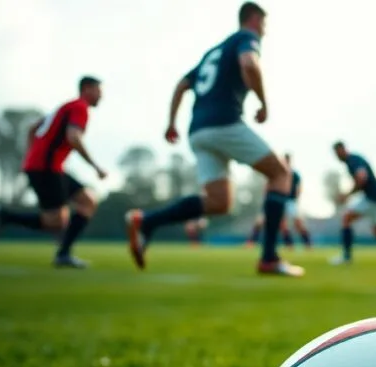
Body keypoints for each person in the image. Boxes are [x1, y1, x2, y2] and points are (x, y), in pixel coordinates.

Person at [124, 2, 303, 277]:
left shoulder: (214, 51)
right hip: (225, 122)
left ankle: (146, 221)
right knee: (280, 173)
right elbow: (249, 64)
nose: (265, 31)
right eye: (264, 24)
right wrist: (264, 102)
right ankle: (269, 258)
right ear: (254, 20)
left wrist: (172, 122)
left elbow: (182, 85)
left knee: (219, 202)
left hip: (198, 131)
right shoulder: (246, 38)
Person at [0, 76, 107, 268]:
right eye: (99, 90)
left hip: (48, 166)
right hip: (46, 168)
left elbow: (32, 129)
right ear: (87, 89)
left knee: (87, 202)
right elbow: (73, 137)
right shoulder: (79, 107)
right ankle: (5, 216)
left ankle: (63, 254)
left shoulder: (65, 107)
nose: (101, 95)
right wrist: (95, 166)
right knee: (56, 222)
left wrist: (30, 156)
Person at [246, 153, 311, 248]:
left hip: (290, 201)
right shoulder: (277, 172)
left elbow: (298, 188)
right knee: (265, 222)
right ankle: (288, 244)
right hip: (276, 199)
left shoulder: (295, 175)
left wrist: (295, 199)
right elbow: (268, 185)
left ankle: (307, 243)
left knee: (298, 222)